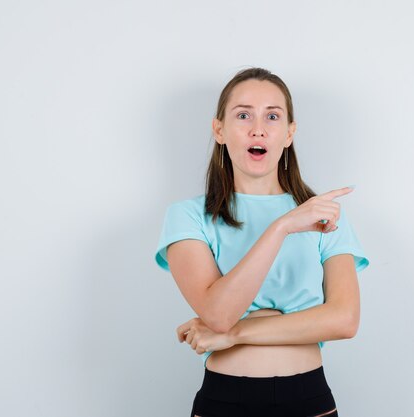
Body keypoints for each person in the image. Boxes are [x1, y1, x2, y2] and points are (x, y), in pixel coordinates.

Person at [155, 67, 369, 417]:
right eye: (243, 115)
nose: (258, 128)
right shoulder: (187, 216)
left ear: (289, 134)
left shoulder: (324, 215)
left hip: (308, 399)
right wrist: (281, 226)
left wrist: (236, 335)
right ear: (219, 130)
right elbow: (219, 315)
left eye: (272, 116)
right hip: (224, 402)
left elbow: (344, 320)